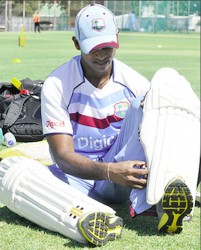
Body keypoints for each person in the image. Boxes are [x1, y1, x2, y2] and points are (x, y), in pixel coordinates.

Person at [0, 3, 200, 247]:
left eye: (108, 46)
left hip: (127, 173)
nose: (102, 54)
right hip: (78, 178)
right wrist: (108, 171)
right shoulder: (57, 84)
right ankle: (88, 217)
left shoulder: (134, 82)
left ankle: (163, 199)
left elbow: (161, 135)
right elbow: (63, 157)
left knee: (163, 86)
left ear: (117, 39)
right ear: (76, 43)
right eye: (94, 48)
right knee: (9, 170)